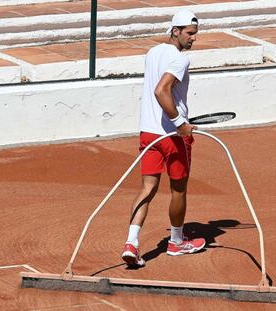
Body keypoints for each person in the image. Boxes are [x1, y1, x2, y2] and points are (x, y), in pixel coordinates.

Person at [121, 10, 205, 267]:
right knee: (179, 188)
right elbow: (161, 90)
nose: (193, 39)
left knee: (148, 188)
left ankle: (132, 243)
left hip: (148, 133)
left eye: (195, 34)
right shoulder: (180, 60)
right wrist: (180, 123)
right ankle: (176, 241)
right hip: (171, 136)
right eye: (190, 34)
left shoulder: (153, 52)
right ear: (175, 31)